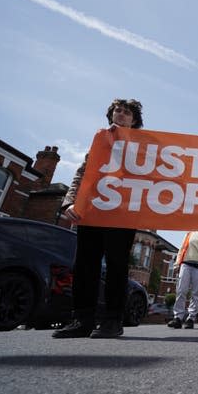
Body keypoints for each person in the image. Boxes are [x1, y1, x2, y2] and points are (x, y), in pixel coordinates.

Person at [52, 99, 144, 339]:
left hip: (122, 214)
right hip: (92, 210)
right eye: (118, 110)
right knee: (84, 264)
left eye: (127, 112)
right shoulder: (99, 140)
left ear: (134, 120)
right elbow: (82, 174)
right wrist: (70, 202)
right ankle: (82, 319)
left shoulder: (144, 146)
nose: (121, 114)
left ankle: (112, 320)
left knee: (116, 265)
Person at [168, 231, 198, 329]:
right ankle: (178, 317)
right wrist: (177, 263)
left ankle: (191, 318)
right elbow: (182, 248)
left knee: (196, 293)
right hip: (186, 264)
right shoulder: (190, 232)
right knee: (181, 290)